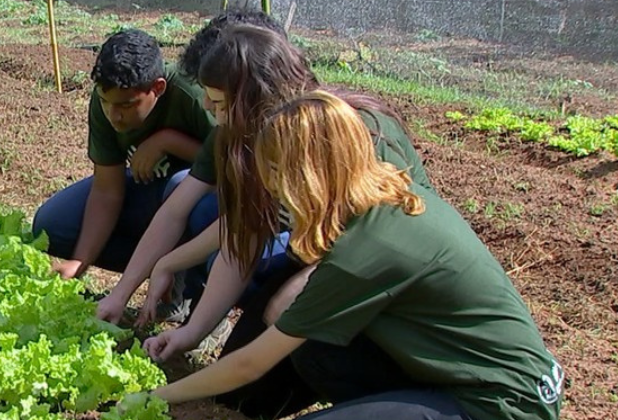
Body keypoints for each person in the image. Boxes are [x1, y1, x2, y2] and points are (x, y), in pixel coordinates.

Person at [145, 91, 562, 420]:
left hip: (500, 409)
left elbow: (251, 363)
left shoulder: (369, 248)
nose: (272, 187)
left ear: (308, 172)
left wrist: (159, 396)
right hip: (463, 379)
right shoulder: (388, 194)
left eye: (277, 173)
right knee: (314, 351)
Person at [143, 23, 432, 381]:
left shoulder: (354, 128)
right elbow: (244, 235)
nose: (206, 107)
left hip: (384, 278)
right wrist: (191, 332)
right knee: (242, 396)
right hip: (323, 260)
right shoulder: (257, 139)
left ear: (255, 98)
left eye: (218, 103)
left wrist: (304, 287)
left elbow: (385, 238)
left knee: (307, 346)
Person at [94, 8, 292, 326]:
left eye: (216, 98)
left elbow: (346, 246)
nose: (206, 105)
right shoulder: (232, 129)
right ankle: (205, 313)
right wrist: (124, 292)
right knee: (201, 212)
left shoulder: (312, 135)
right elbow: (232, 222)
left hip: (334, 259)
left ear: (253, 87)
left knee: (257, 279)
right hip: (279, 237)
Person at [31, 28, 215, 300]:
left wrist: (169, 142)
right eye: (105, 102)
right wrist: (80, 263)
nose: (113, 115)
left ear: (158, 88)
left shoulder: (194, 94)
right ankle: (155, 267)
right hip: (152, 192)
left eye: (126, 106)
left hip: (208, 202)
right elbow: (107, 191)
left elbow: (234, 166)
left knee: (181, 187)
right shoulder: (108, 99)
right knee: (53, 223)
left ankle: (192, 291)